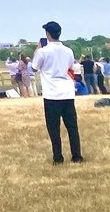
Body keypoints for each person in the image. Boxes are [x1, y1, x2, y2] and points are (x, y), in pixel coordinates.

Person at [31, 22, 82, 165]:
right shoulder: (68, 51)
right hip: (67, 92)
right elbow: (70, 67)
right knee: (72, 126)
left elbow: (34, 67)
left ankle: (58, 157)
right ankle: (76, 155)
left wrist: (37, 49)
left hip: (52, 94)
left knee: (54, 128)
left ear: (47, 34)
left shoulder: (43, 51)